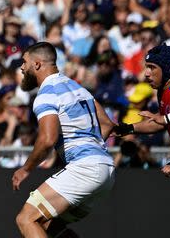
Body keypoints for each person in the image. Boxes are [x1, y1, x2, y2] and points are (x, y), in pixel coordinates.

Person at [12, 42, 115, 238]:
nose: (22, 67)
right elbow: (108, 125)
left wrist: (26, 169)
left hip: (85, 169)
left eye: (24, 62)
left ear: (38, 64)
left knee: (26, 219)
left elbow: (47, 139)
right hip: (106, 170)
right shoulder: (79, 88)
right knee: (50, 225)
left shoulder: (46, 93)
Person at [114, 44, 170, 177]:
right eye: (146, 67)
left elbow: (165, 119)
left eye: (152, 67)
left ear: (167, 69)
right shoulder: (163, 90)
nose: (146, 73)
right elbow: (159, 122)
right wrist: (127, 129)